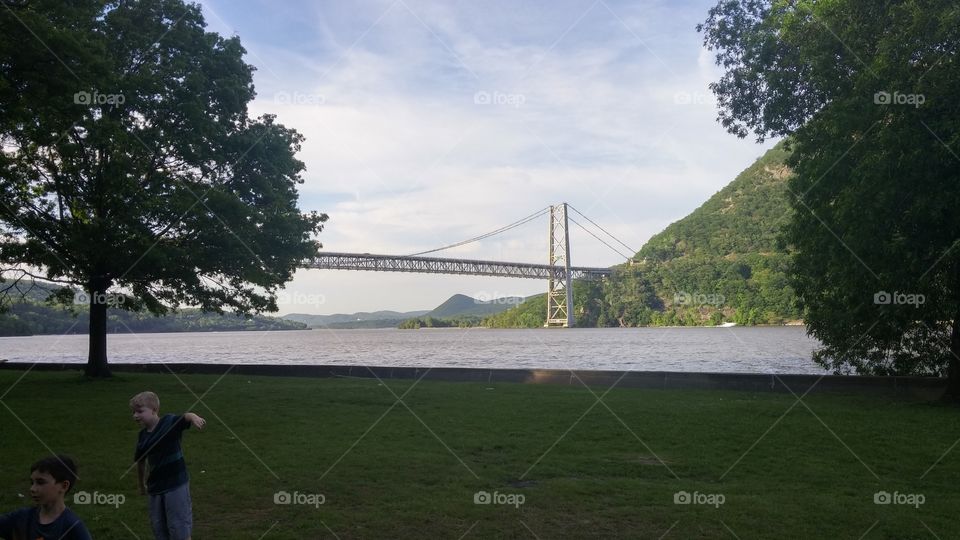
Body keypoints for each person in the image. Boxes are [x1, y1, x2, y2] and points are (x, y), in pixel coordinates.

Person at [130, 391, 206, 540]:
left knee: (179, 527)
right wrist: (141, 485)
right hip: (155, 488)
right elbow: (140, 462)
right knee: (159, 527)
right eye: (133, 412)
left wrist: (194, 418)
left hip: (176, 484)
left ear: (154, 410)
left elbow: (186, 416)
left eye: (140, 411)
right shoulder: (142, 437)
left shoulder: (169, 422)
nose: (135, 415)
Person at [0, 455, 92, 540]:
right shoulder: (21, 518)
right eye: (32, 483)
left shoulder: (73, 527)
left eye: (40, 482)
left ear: (64, 486)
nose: (32, 489)